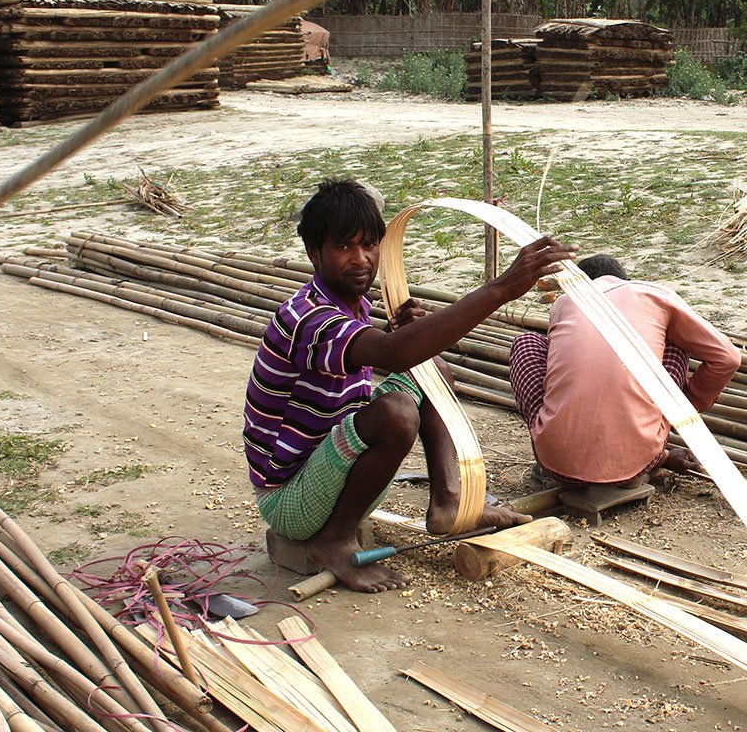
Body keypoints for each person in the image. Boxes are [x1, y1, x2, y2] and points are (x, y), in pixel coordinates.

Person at [243, 178, 577, 592]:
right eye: (344, 247)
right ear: (315, 253)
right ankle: (332, 540)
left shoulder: (351, 304)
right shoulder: (308, 317)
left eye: (369, 245)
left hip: (328, 472)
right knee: (396, 411)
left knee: (430, 365)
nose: (361, 259)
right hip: (291, 499)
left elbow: (382, 353)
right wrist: (502, 288)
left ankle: (447, 502)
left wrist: (400, 335)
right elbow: (390, 354)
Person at [508, 254, 741, 487]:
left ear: (578, 282)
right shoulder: (654, 295)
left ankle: (558, 444)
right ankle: (646, 444)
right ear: (624, 279)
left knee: (527, 343)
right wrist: (686, 407)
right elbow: (727, 358)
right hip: (640, 461)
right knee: (674, 342)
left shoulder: (564, 302)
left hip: (556, 462)